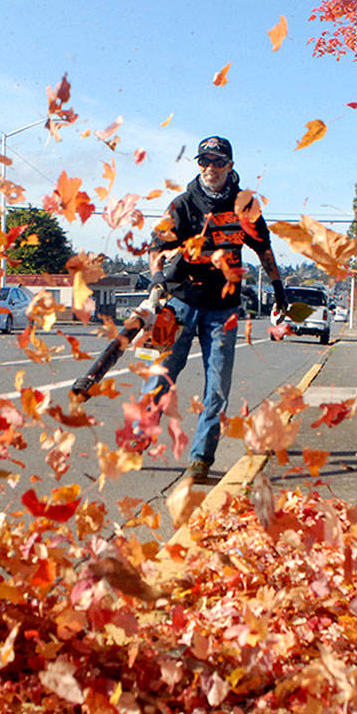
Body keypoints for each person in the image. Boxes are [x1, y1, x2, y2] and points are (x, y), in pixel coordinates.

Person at [142, 135, 287, 483]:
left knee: (217, 386)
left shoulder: (245, 205)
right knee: (160, 375)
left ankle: (200, 460)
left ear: (230, 166)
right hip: (177, 303)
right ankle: (140, 436)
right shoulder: (182, 204)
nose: (209, 168)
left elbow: (263, 248)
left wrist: (279, 287)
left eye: (216, 162)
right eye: (203, 162)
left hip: (223, 308)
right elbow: (157, 248)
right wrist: (158, 278)